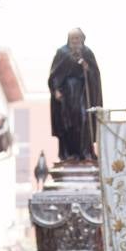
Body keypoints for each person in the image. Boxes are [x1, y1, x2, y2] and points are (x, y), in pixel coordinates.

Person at [47, 28, 103, 162]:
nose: (75, 41)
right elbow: (54, 74)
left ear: (82, 39)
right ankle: (68, 153)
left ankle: (85, 152)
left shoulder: (87, 52)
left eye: (77, 38)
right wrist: (56, 90)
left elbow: (95, 74)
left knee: (84, 119)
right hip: (66, 94)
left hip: (82, 92)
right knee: (67, 122)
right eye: (72, 38)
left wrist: (87, 68)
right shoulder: (62, 52)